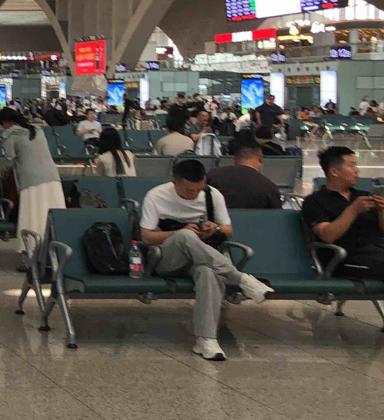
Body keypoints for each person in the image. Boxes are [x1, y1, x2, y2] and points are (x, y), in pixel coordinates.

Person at [140, 158, 272, 361]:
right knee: (186, 236)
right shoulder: (156, 196)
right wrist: (180, 233)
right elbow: (146, 237)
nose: (194, 194)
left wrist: (215, 228)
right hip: (166, 259)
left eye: (199, 189)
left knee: (208, 271)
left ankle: (206, 339)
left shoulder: (212, 194)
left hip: (201, 259)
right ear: (175, 182)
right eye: (189, 190)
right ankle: (240, 279)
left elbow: (228, 231)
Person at [303, 146, 384, 276]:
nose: (357, 170)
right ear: (334, 171)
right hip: (345, 258)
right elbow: (327, 235)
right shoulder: (314, 202)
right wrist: (353, 210)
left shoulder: (364, 196)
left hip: (377, 251)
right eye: (351, 166)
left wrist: (381, 211)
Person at [0, 106, 64, 268]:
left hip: (30, 180)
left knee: (32, 218)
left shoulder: (10, 135)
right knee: (52, 217)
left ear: (5, 122)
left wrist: (6, 169)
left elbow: (9, 159)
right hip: (52, 177)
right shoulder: (37, 130)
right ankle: (56, 254)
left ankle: (31, 258)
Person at [207, 132, 282, 210]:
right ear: (260, 159)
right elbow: (277, 214)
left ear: (235, 160)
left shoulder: (212, 175)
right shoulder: (269, 187)